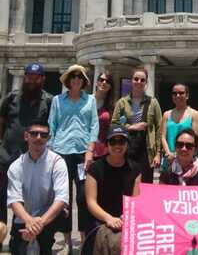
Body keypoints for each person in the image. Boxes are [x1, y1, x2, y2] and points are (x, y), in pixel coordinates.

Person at [0, 63, 53, 240]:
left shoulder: (48, 100)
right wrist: (3, 140)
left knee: (26, 199)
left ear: (42, 79)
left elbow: (51, 126)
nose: (32, 80)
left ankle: (19, 236)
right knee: (0, 198)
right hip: (8, 155)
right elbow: (1, 120)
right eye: (29, 76)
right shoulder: (11, 97)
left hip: (32, 159)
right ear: (25, 77)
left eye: (36, 77)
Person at [49, 64, 98, 247]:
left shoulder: (90, 100)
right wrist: (52, 151)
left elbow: (94, 125)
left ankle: (84, 239)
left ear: (84, 80)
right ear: (68, 80)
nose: (76, 79)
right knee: (64, 197)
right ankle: (67, 241)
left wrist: (90, 151)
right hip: (61, 151)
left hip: (82, 153)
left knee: (83, 196)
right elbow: (52, 125)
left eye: (80, 76)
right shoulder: (57, 100)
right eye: (73, 76)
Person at [7, 120, 69, 255]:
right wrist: (29, 222)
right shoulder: (16, 166)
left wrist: (38, 224)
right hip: (24, 216)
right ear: (26, 136)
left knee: (43, 248)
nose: (39, 138)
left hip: (50, 216)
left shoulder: (58, 162)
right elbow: (14, 200)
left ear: (49, 138)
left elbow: (62, 199)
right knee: (18, 249)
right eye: (34, 134)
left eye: (43, 135)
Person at [86, 125, 142, 254]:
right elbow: (91, 202)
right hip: (100, 219)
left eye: (121, 141)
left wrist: (127, 217)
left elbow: (135, 201)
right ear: (107, 144)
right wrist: (108, 218)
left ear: (127, 144)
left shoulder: (135, 169)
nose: (117, 146)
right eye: (113, 141)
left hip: (125, 219)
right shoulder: (95, 168)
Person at [111, 66, 162, 184]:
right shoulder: (122, 102)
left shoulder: (153, 102)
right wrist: (132, 127)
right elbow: (114, 124)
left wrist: (158, 154)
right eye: (136, 79)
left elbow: (159, 128)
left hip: (146, 148)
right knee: (126, 182)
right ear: (131, 80)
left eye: (142, 80)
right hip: (127, 147)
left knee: (145, 184)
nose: (139, 82)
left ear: (146, 82)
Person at [160, 83, 198, 170]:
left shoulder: (194, 114)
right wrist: (168, 154)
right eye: (174, 93)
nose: (178, 95)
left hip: (187, 160)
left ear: (187, 95)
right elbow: (163, 136)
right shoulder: (166, 115)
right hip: (169, 160)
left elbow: (195, 138)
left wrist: (176, 156)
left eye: (181, 93)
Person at [92, 70, 115, 159]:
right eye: (101, 80)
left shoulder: (112, 107)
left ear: (110, 86)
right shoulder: (87, 101)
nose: (104, 82)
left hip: (103, 151)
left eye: (107, 81)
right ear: (97, 82)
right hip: (84, 148)